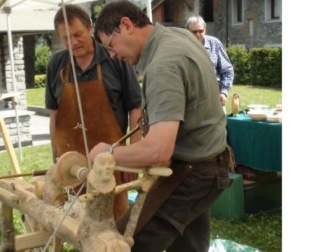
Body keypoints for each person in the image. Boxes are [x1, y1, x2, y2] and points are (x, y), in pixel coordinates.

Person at [89, 1, 232, 251]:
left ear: (126, 25)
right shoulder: (177, 35)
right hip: (210, 163)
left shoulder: (163, 64)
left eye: (110, 45)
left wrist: (107, 153)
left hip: (194, 174)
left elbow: (158, 151)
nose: (112, 54)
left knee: (119, 244)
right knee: (188, 248)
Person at [45, 4, 142, 220]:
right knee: (75, 222)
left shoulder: (115, 57)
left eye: (78, 34)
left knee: (113, 222)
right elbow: (54, 116)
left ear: (90, 28)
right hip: (71, 164)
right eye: (66, 38)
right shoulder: (56, 65)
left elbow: (136, 107)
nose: (73, 42)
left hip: (109, 162)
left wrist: (134, 155)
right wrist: (56, 158)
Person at [185, 15, 234, 113]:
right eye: (194, 32)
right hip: (190, 101)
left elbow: (227, 70)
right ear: (187, 31)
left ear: (205, 30)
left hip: (215, 98)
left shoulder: (214, 43)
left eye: (201, 31)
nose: (198, 34)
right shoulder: (182, 47)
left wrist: (224, 92)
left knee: (221, 127)